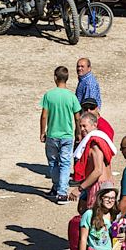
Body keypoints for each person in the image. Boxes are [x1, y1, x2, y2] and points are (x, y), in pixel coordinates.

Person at [39, 65, 80, 201]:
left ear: (55, 78)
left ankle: (57, 187)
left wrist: (42, 132)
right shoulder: (71, 96)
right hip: (67, 135)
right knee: (65, 163)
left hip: (52, 134)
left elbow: (44, 116)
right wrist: (78, 132)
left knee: (53, 162)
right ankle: (62, 192)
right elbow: (77, 117)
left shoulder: (49, 95)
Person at [70, 108, 116, 211]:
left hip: (99, 186)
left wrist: (79, 189)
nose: (82, 129)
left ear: (94, 125)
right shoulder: (101, 140)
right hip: (106, 184)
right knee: (83, 210)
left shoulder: (95, 144)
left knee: (95, 216)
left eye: (84, 126)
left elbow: (98, 170)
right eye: (80, 126)